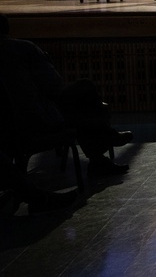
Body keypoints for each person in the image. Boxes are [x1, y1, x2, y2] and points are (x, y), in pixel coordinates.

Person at [1, 14, 132, 177]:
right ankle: (103, 144)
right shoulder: (23, 48)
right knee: (83, 93)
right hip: (35, 118)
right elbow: (54, 86)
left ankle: (104, 145)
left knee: (78, 106)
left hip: (6, 125)